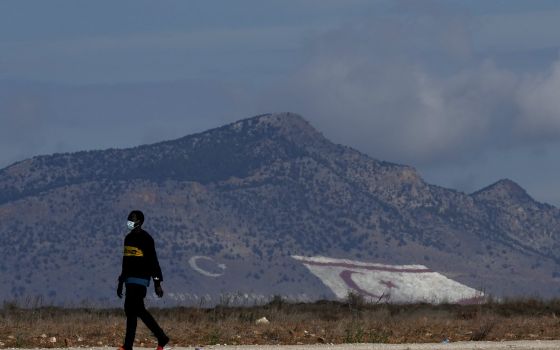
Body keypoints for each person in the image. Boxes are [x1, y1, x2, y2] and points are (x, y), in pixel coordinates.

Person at [117, 210, 169, 350]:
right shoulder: (127, 238)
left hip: (141, 280)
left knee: (137, 309)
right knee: (131, 310)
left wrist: (157, 283)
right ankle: (131, 344)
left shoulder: (147, 239)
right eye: (129, 218)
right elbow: (125, 262)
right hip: (129, 279)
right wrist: (121, 282)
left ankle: (161, 337)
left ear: (139, 221)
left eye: (132, 219)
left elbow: (153, 261)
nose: (129, 220)